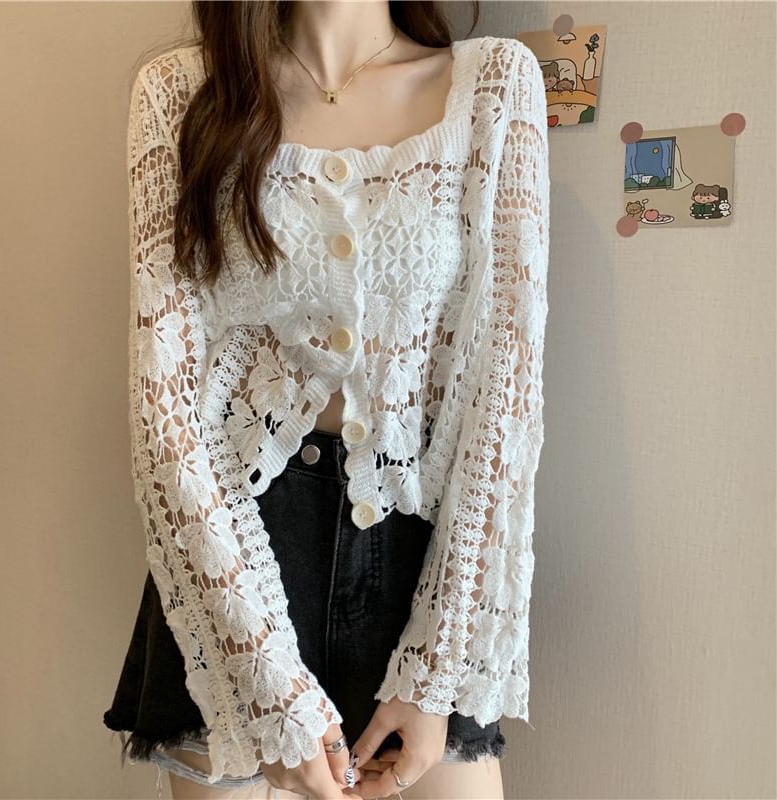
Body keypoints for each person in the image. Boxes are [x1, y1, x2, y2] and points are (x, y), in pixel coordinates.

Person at [103, 1, 550, 798]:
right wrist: (264, 683)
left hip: (422, 566)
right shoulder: (180, 93)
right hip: (232, 573)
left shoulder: (493, 86)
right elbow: (165, 411)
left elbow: (504, 400)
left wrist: (437, 669)